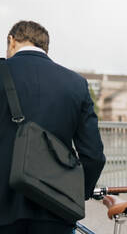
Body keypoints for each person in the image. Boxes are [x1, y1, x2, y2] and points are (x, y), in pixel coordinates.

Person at [0, 21, 106, 234]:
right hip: (55, 210)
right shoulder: (76, 83)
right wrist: (75, 194)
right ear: (45, 48)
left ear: (11, 41)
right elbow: (94, 156)